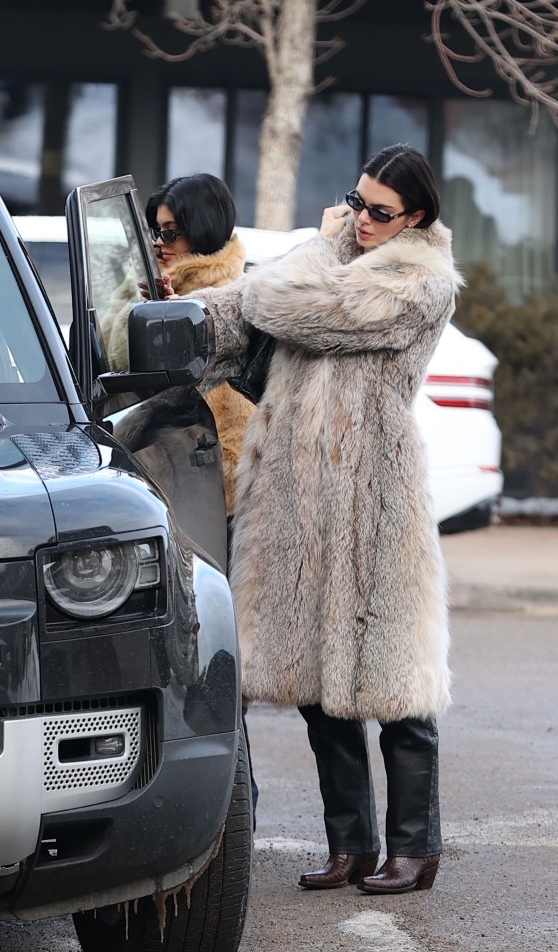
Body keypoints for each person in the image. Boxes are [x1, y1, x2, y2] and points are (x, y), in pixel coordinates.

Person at [175, 144, 461, 895]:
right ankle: (350, 844)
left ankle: (414, 846)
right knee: (313, 681)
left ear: (416, 218)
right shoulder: (336, 258)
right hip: (296, 496)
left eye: (379, 211)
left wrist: (320, 242)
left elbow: (291, 305)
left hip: (372, 496)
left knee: (392, 683)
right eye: (357, 202)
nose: (362, 218)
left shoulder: (420, 280)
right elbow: (242, 310)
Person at [101, 173, 259, 820]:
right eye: (154, 230)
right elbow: (114, 360)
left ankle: (232, 806)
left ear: (203, 229)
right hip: (170, 491)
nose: (161, 243)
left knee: (220, 659)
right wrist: (138, 300)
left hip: (225, 497)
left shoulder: (230, 293)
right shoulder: (156, 290)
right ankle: (224, 804)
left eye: (170, 232)